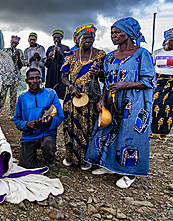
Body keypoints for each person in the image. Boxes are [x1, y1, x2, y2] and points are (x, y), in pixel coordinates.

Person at [84, 17, 154, 189]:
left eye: (117, 32)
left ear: (129, 33)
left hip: (135, 102)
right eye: (112, 33)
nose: (113, 35)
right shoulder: (109, 57)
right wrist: (102, 99)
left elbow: (148, 81)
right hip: (112, 101)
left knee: (130, 135)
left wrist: (125, 85)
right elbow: (107, 81)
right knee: (107, 130)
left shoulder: (142, 54)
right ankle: (110, 165)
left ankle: (130, 173)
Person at [60, 24, 106, 171]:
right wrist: (71, 87)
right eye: (85, 37)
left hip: (91, 96)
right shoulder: (70, 55)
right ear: (78, 39)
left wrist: (99, 73)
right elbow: (63, 76)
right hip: (72, 96)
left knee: (88, 126)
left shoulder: (100, 55)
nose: (88, 40)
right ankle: (70, 157)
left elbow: (106, 76)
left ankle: (86, 159)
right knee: (70, 126)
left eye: (91, 37)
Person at [14, 68, 64, 168]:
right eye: (31, 78)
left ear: (41, 79)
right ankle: (31, 153)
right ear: (26, 81)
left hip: (47, 134)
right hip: (29, 136)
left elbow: (60, 116)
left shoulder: (51, 93)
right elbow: (17, 119)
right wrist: (27, 124)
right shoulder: (22, 97)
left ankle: (50, 158)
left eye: (38, 78)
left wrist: (50, 121)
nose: (35, 81)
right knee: (25, 166)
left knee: (48, 146)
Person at [151, 28, 173, 142]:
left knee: (167, 107)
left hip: (171, 83)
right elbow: (151, 66)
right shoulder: (157, 52)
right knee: (153, 104)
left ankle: (163, 133)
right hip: (158, 81)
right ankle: (150, 130)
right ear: (166, 40)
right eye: (172, 40)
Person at [0, 35, 23, 120]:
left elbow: (20, 66)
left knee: (13, 97)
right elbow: (1, 63)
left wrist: (18, 58)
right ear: (10, 42)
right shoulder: (4, 51)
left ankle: (12, 114)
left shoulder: (19, 51)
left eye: (16, 43)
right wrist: (10, 58)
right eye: (13, 42)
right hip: (6, 78)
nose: (14, 44)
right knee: (2, 96)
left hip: (15, 78)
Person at [45, 30, 70, 99]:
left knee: (60, 94)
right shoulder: (50, 48)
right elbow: (46, 65)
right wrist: (49, 58)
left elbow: (68, 64)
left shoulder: (66, 48)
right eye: (54, 38)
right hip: (51, 74)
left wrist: (60, 53)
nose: (56, 39)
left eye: (58, 37)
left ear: (61, 38)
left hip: (61, 76)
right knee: (49, 93)